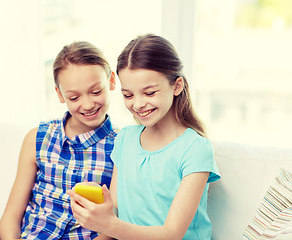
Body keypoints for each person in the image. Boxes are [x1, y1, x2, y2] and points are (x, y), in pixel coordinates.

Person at [0, 41, 118, 240]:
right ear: (59, 94)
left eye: (96, 91)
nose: (88, 104)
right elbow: (10, 218)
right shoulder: (38, 138)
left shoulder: (122, 146)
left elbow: (113, 227)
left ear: (112, 81)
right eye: (74, 97)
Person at [68, 34, 221, 240]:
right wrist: (102, 220)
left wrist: (110, 224)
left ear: (177, 86)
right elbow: (116, 215)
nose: (137, 104)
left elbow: (171, 234)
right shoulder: (125, 140)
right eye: (128, 95)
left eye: (149, 93)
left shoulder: (196, 149)